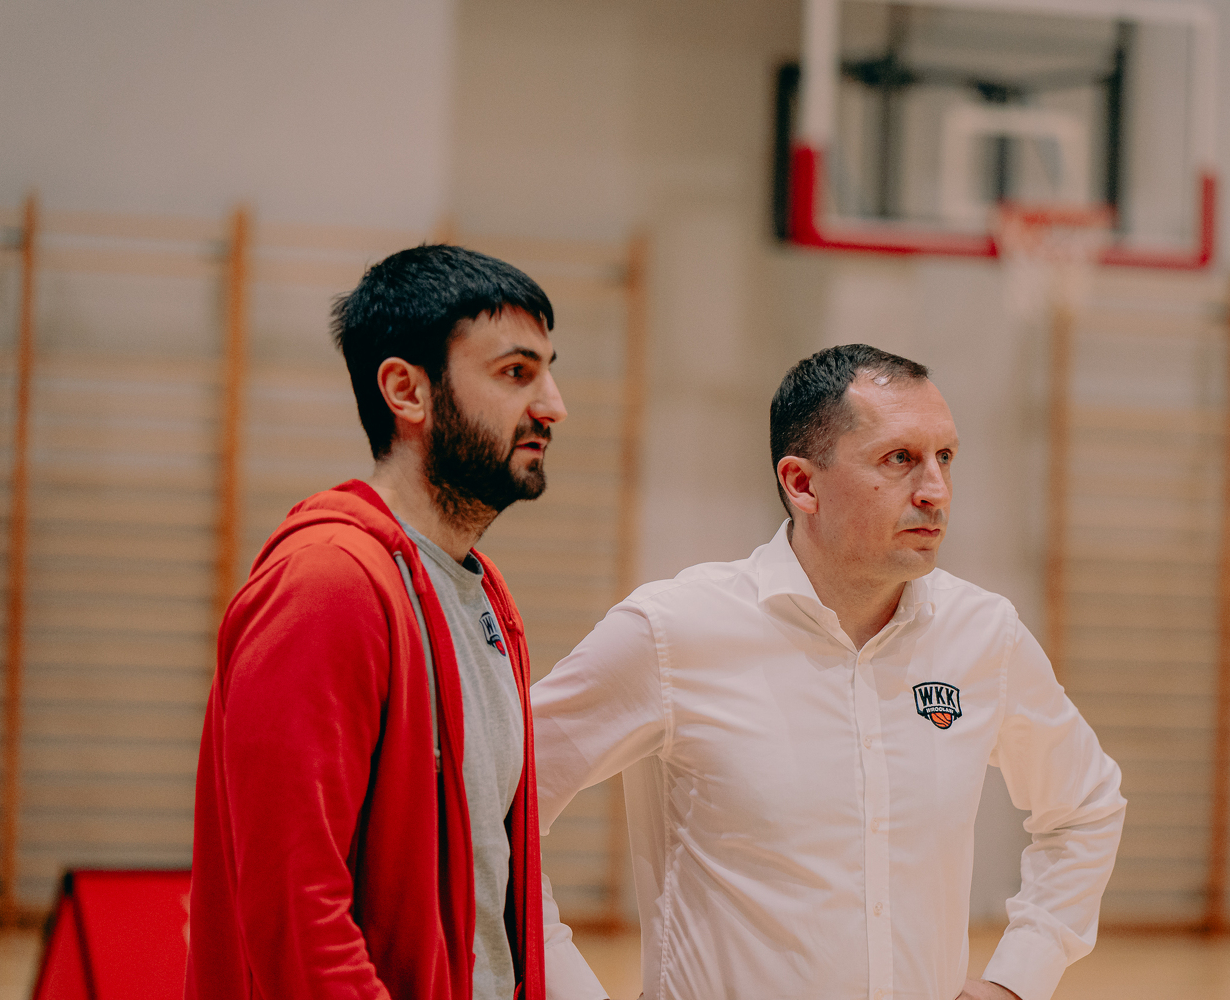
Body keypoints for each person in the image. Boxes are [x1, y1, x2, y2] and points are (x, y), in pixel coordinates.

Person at [532, 344, 1126, 1000]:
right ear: (802, 484)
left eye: (945, 457)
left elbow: (1086, 805)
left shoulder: (983, 633)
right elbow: (488, 809)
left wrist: (1018, 978)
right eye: (899, 459)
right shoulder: (670, 632)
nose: (935, 490)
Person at [186, 245, 599, 1000]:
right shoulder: (327, 584)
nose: (553, 405)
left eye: (547, 371)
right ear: (406, 391)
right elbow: (296, 910)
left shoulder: (485, 594)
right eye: (516, 373)